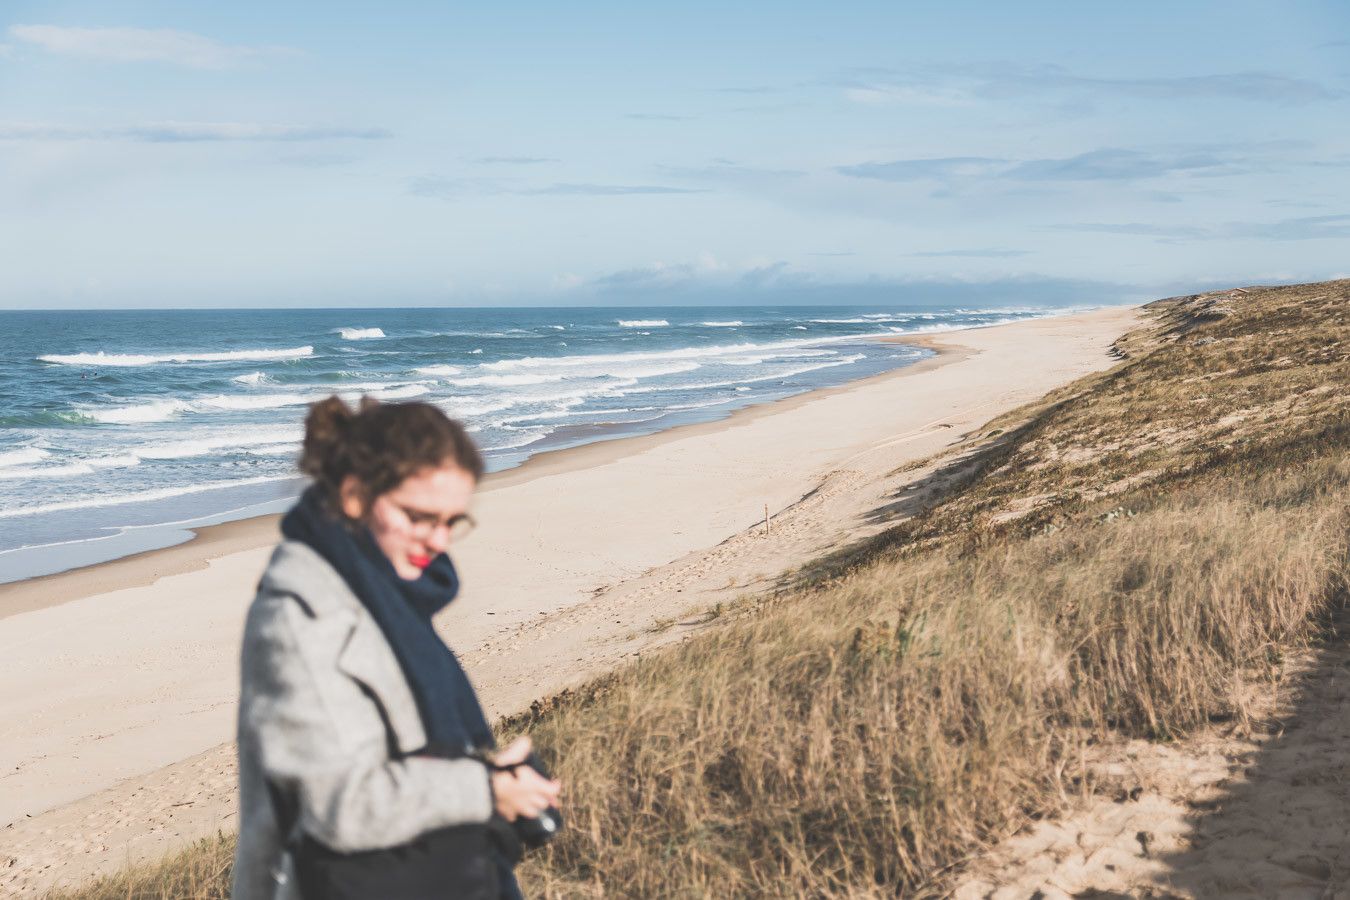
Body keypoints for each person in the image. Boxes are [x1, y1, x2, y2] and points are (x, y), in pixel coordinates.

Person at [232, 396, 560, 900]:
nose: (438, 542)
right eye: (419, 516)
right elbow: (341, 805)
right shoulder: (301, 618)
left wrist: (489, 775)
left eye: (452, 521)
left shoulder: (388, 594)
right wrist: (484, 788)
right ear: (355, 496)